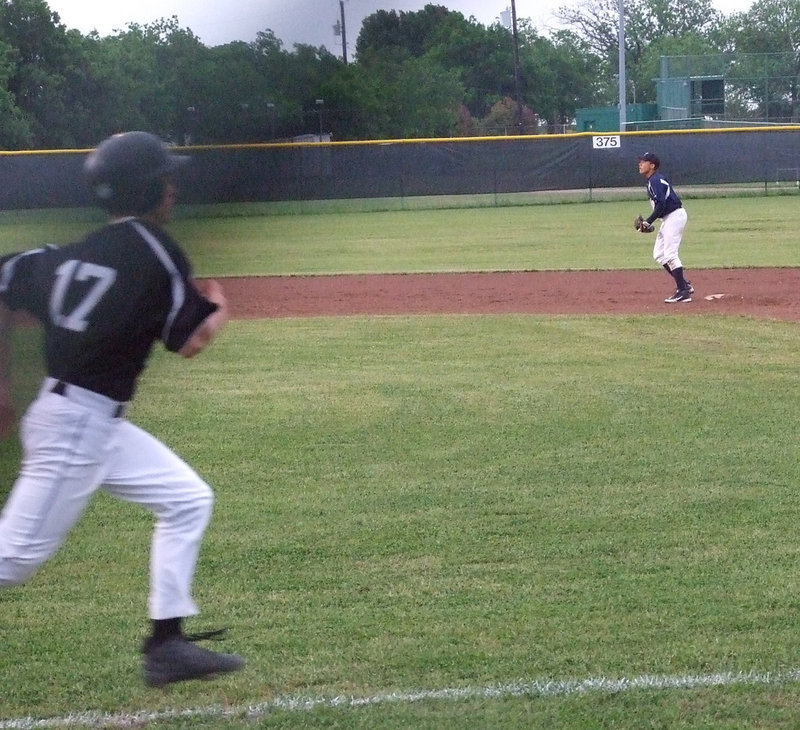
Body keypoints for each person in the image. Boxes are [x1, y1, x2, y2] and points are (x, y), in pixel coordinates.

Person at [0, 131, 244, 688]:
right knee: (11, 561)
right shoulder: (155, 251)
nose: (173, 189)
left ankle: (166, 644)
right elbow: (191, 341)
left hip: (87, 421)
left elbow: (6, 280)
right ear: (148, 188)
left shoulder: (69, 254)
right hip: (75, 431)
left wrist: (4, 389)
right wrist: (221, 308)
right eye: (165, 178)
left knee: (187, 498)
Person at [636, 151, 693, 303]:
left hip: (674, 216)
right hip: (669, 218)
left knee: (670, 254)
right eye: (640, 161)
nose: (640, 164)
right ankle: (684, 285)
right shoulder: (653, 180)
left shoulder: (655, 180)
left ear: (652, 165)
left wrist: (648, 221)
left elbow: (661, 204)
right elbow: (660, 205)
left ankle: (683, 292)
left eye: (644, 161)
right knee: (659, 255)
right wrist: (650, 222)